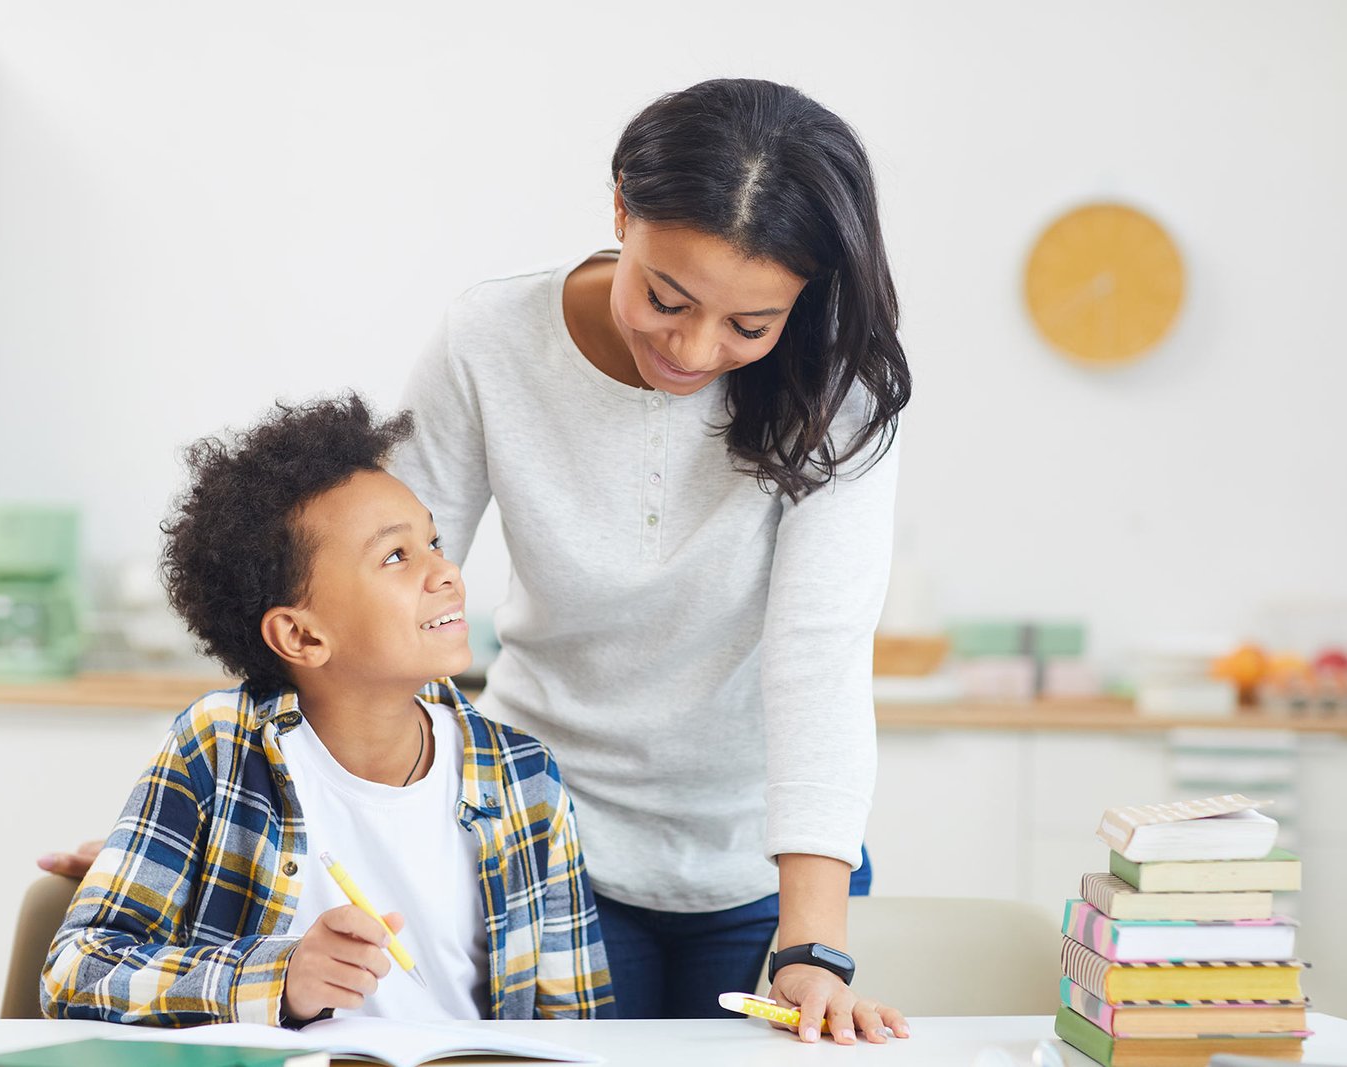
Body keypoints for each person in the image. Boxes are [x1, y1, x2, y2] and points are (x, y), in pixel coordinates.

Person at [45, 76, 910, 1046]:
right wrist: (220, 824)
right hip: (534, 835)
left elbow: (818, 657)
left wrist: (813, 940)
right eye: (666, 298)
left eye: (750, 325)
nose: (696, 347)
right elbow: (353, 591)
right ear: (620, 206)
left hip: (770, 859)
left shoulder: (838, 395)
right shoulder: (495, 338)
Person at [40, 396, 613, 1026]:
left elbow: (579, 1028)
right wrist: (277, 977)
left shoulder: (525, 778)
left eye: (434, 541)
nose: (445, 570)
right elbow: (75, 973)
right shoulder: (220, 748)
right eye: (397, 557)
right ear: (302, 636)